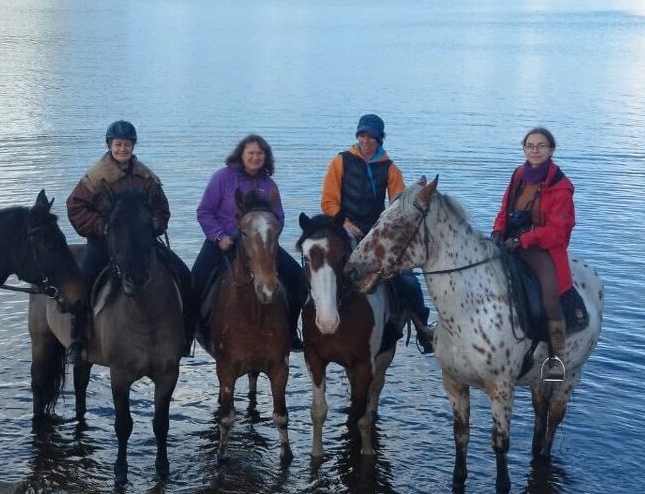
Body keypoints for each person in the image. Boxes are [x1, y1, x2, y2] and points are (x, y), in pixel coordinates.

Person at [65, 120, 195, 363]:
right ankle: (77, 338)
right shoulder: (95, 177)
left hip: (143, 243)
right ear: (110, 145)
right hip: (105, 241)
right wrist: (101, 227)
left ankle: (185, 335)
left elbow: (161, 208)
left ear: (133, 146)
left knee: (184, 274)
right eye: (118, 144)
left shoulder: (145, 176)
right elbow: (75, 206)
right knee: (84, 282)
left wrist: (155, 224)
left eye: (126, 144)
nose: (122, 149)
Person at [320, 114, 434, 352]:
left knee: (408, 279)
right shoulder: (340, 162)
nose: (366, 140)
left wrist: (384, 228)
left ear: (380, 139)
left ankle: (422, 328)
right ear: (357, 136)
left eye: (371, 136)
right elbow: (329, 201)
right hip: (343, 227)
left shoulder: (390, 169)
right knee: (319, 266)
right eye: (362, 135)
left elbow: (398, 206)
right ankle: (308, 317)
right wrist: (345, 224)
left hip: (376, 230)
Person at [193, 134, 308, 351]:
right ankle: (192, 332)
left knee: (298, 278)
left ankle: (291, 330)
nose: (255, 157)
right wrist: (219, 236)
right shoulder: (222, 177)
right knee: (194, 282)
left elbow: (279, 217)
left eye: (260, 153)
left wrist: (268, 238)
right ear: (241, 155)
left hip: (259, 244)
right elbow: (205, 211)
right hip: (224, 241)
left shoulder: (269, 184)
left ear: (266, 157)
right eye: (251, 153)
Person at [490, 126, 575, 382]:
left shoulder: (561, 187)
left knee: (550, 296)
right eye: (529, 146)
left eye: (540, 146)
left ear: (551, 150)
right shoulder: (518, 174)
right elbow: (504, 207)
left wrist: (525, 239)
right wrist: (497, 230)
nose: (534, 150)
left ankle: (556, 358)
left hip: (541, 247)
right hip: (510, 241)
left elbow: (558, 231)